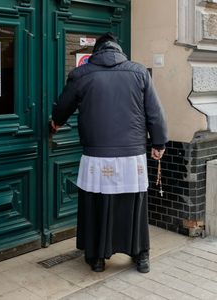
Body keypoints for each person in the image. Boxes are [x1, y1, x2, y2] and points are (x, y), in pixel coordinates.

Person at [51, 32, 167, 273]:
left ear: (97, 51)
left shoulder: (82, 73)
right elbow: (154, 112)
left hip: (97, 152)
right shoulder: (139, 72)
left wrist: (55, 123)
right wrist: (159, 143)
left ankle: (97, 258)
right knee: (134, 204)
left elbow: (63, 106)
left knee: (97, 203)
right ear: (118, 50)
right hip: (131, 152)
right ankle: (140, 255)